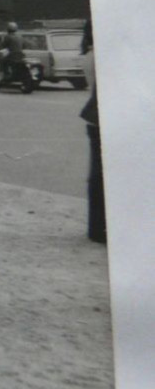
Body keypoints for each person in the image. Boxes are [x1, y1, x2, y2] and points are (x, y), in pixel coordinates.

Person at [81, 19, 105, 244]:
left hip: (95, 117)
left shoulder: (89, 55)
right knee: (101, 176)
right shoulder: (101, 56)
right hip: (103, 117)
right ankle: (100, 229)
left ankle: (96, 228)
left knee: (97, 175)